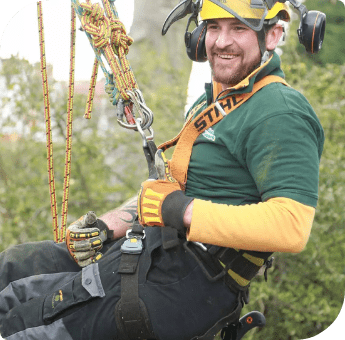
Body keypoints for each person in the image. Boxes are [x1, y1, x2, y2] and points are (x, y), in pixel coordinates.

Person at [0, 1, 324, 339]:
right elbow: (168, 189)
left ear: (272, 35)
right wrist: (111, 224)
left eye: (239, 29)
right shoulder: (216, 101)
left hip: (189, 279)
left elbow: (291, 226)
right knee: (13, 268)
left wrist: (181, 210)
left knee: (21, 328)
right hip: (153, 249)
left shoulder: (280, 112)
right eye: (213, 27)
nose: (221, 41)